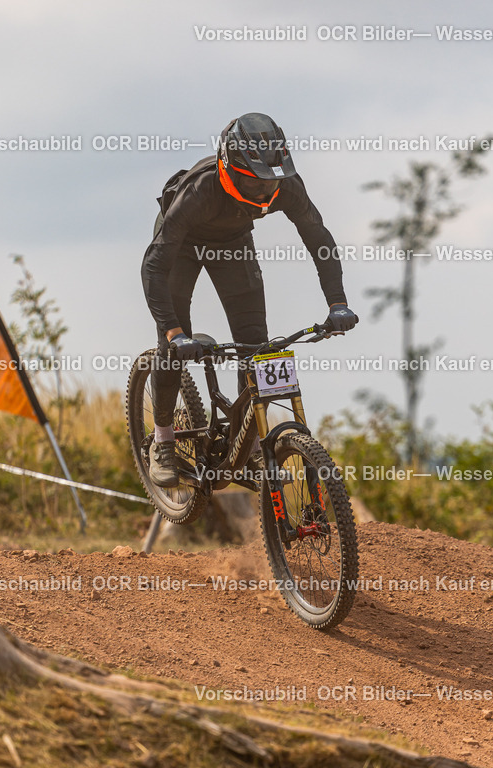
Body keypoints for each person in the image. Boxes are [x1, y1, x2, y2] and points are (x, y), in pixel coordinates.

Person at [141, 112, 357, 487]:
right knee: (172, 348)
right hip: (181, 247)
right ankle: (162, 442)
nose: (264, 192)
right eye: (254, 182)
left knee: (257, 347)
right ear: (229, 167)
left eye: (270, 181)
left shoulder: (285, 185)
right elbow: (154, 268)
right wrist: (175, 333)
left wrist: (337, 303)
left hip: (233, 245)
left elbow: (318, 239)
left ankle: (250, 444)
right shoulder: (198, 192)